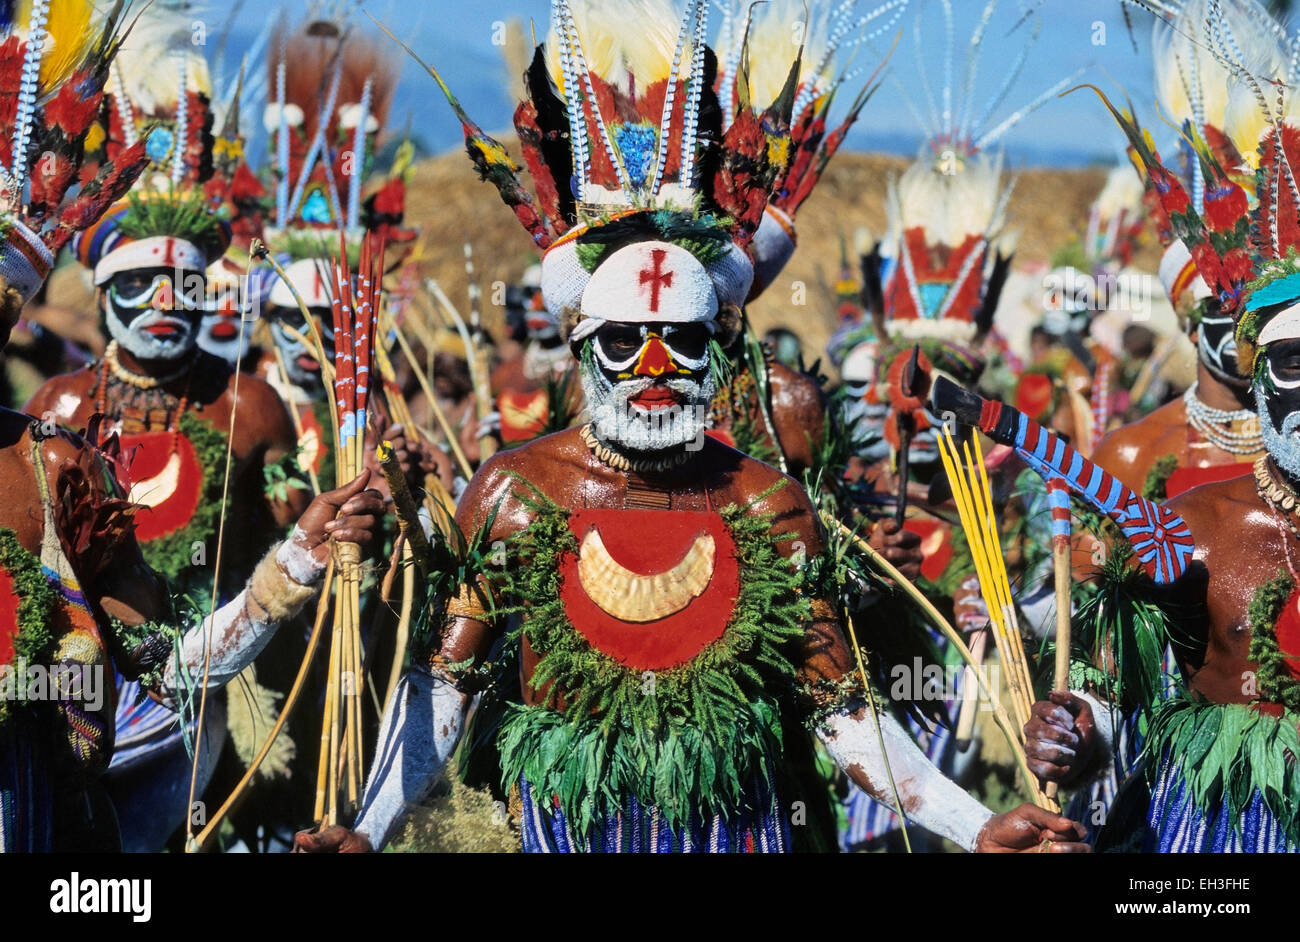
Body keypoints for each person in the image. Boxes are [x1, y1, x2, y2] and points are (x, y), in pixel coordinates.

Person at [296, 0, 1087, 855]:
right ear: (581, 347)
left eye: (680, 341)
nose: (654, 368)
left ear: (718, 345)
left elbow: (846, 718)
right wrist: (370, 829)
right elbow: (441, 693)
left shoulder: (767, 503)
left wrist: (974, 828)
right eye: (626, 343)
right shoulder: (515, 494)